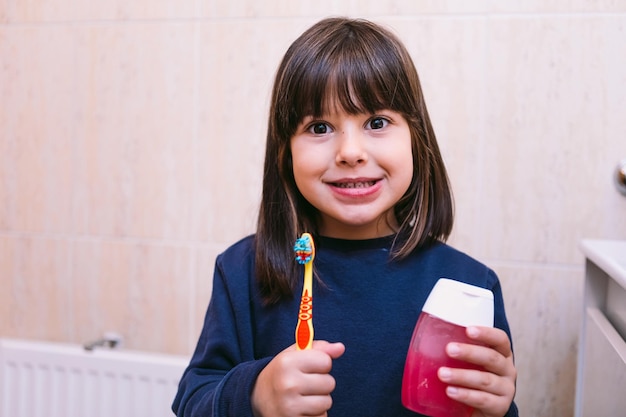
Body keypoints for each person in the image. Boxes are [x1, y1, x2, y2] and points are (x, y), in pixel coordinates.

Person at [172, 17, 518, 417]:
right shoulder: (242, 272)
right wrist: (255, 394)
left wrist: (496, 408)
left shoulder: (470, 288)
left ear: (416, 139)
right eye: (320, 127)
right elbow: (194, 399)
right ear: (285, 153)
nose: (350, 152)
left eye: (377, 123)